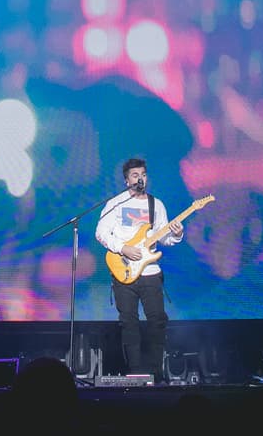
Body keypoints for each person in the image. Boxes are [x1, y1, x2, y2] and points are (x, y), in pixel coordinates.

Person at [95, 157, 184, 384]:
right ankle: (134, 373)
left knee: (157, 321)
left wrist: (176, 233)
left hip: (150, 272)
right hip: (123, 270)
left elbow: (165, 239)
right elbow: (101, 233)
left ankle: (156, 372)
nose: (140, 178)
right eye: (135, 175)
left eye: (143, 174)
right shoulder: (115, 204)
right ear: (127, 181)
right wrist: (123, 247)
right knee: (129, 322)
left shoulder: (157, 205)